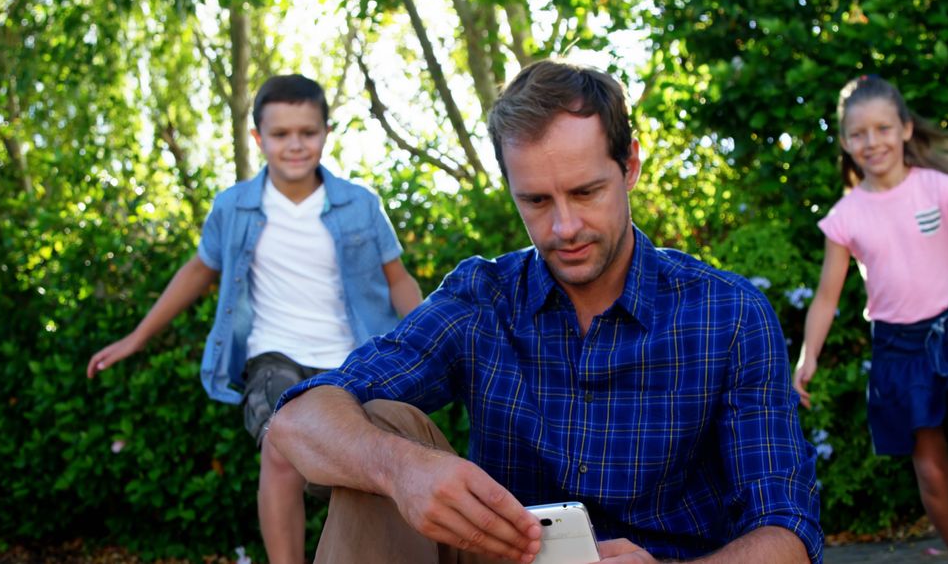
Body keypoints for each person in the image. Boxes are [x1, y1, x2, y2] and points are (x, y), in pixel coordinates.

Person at [268, 59, 822, 563]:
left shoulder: (728, 314)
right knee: (386, 426)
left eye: (585, 192)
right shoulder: (482, 298)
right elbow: (296, 419)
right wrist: (401, 469)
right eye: (535, 201)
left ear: (628, 166)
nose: (564, 228)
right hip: (507, 556)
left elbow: (789, 530)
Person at [86, 74, 423, 564]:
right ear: (258, 138)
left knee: (366, 469)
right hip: (274, 357)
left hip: (353, 362)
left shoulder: (360, 205)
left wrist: (425, 340)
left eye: (307, 132)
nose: (295, 145)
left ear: (326, 132)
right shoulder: (235, 207)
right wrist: (137, 337)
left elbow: (399, 280)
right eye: (281, 134)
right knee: (280, 443)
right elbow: (199, 270)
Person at [792, 74, 948, 564]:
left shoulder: (936, 186)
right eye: (858, 133)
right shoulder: (845, 217)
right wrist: (808, 356)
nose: (872, 141)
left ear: (905, 129)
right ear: (845, 142)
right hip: (898, 346)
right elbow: (825, 297)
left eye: (883, 128)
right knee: (930, 470)